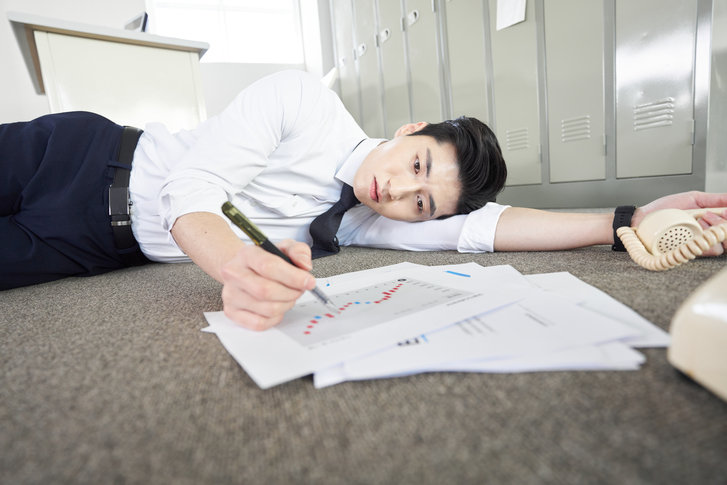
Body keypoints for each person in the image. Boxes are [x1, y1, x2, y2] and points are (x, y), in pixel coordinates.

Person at [2, 70, 726, 330]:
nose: (400, 191)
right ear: (409, 130)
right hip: (76, 158)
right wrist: (236, 268)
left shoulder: (365, 223)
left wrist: (629, 218)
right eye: (417, 164)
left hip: (97, 249)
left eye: (421, 203)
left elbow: (488, 229)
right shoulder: (301, 100)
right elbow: (189, 192)